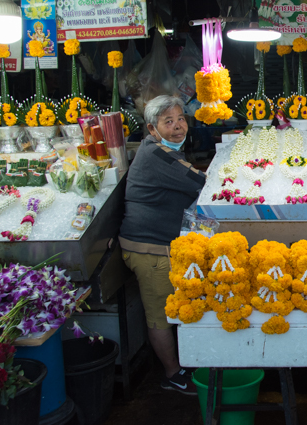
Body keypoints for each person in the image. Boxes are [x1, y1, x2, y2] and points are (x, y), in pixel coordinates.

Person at [119, 95, 205, 395]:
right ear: (152, 128)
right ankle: (172, 373)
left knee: (173, 309)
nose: (178, 126)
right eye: (168, 122)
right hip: (150, 250)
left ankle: (184, 363)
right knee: (161, 315)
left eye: (180, 118)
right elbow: (200, 183)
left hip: (161, 245)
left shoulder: (163, 150)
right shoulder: (158, 156)